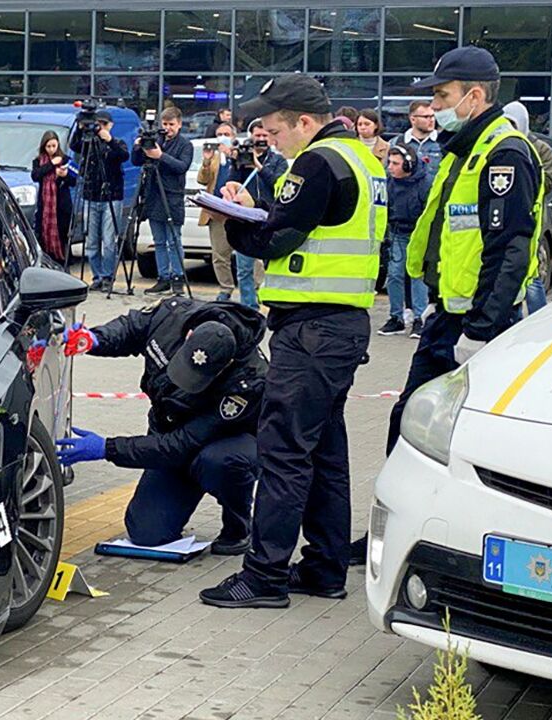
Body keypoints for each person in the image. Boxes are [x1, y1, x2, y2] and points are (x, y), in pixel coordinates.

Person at [198, 74, 384, 608]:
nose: (272, 140)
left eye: (276, 129)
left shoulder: (317, 162)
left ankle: (264, 576)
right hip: (340, 326)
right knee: (324, 451)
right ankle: (324, 568)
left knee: (282, 451)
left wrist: (231, 222)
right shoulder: (362, 158)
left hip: (311, 331)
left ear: (305, 121)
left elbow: (279, 237)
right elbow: (303, 222)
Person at [385, 46, 542, 452]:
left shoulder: (504, 153)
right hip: (447, 315)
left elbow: (509, 249)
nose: (435, 107)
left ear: (474, 97)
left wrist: (480, 329)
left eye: (443, 97)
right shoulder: (464, 148)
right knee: (409, 422)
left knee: (454, 439)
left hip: (478, 325)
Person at [55, 299, 268, 554]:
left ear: (227, 363)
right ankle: (182, 486)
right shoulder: (172, 314)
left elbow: (181, 444)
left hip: (219, 445)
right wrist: (94, 339)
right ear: (188, 336)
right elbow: (132, 328)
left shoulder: (249, 382)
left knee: (221, 462)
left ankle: (238, 526)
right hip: (169, 435)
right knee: (146, 533)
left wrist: (107, 448)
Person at [226, 119, 289, 310]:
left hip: (271, 216)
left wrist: (259, 167)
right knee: (244, 268)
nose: (261, 139)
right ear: (250, 136)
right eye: (257, 135)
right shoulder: (242, 159)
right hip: (246, 217)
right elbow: (231, 185)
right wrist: (237, 164)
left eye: (264, 136)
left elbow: (279, 185)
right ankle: (248, 306)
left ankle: (270, 301)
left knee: (272, 265)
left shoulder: (277, 160)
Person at [133, 106, 195, 296]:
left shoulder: (185, 145)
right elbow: (136, 161)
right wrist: (138, 146)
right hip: (154, 196)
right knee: (158, 241)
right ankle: (163, 278)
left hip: (172, 196)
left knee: (174, 240)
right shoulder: (156, 140)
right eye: (165, 124)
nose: (167, 128)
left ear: (179, 125)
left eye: (171, 124)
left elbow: (181, 166)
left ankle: (178, 278)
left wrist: (161, 156)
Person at [503, 101, 552, 314]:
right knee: (508, 277)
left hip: (530, 219)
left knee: (531, 276)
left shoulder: (540, 149)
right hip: (504, 217)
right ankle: (511, 320)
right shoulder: (501, 144)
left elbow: (549, 182)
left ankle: (538, 319)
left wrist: (525, 175)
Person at [70, 110, 129, 293]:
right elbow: (74, 145)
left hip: (112, 197)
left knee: (109, 240)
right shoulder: (89, 144)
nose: (100, 127)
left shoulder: (117, 143)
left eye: (103, 124)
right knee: (91, 241)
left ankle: (107, 276)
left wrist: (108, 139)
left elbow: (123, 156)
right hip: (91, 195)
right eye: (98, 124)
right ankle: (96, 276)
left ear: (110, 125)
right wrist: (80, 128)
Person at [379, 145, 433, 338]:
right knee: (394, 274)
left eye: (395, 163)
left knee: (417, 275)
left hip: (418, 233)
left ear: (408, 164)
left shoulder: (425, 183)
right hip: (397, 233)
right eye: (389, 163)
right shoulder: (389, 183)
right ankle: (396, 318)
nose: (390, 167)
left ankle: (420, 318)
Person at [200, 124, 238, 300]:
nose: (222, 137)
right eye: (219, 134)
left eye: (226, 134)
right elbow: (202, 179)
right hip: (217, 211)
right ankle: (225, 288)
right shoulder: (214, 157)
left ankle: (256, 288)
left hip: (239, 210)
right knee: (219, 254)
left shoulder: (239, 155)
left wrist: (231, 154)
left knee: (250, 256)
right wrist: (207, 161)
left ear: (233, 136)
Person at [30, 130, 75, 263]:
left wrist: (64, 176)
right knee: (43, 236)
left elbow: (74, 181)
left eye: (54, 146)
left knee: (62, 237)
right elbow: (36, 176)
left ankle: (63, 263)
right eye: (48, 146)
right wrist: (51, 164)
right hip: (45, 208)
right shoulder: (39, 161)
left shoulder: (65, 159)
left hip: (61, 207)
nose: (51, 149)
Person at [392, 100, 442, 177]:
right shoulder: (396, 143)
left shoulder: (444, 142)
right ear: (413, 119)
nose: (431, 120)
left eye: (433, 116)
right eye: (426, 117)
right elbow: (387, 173)